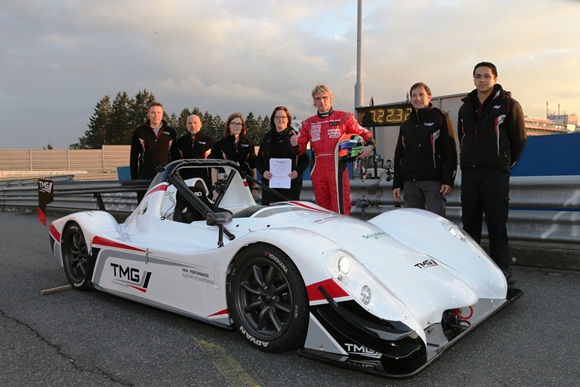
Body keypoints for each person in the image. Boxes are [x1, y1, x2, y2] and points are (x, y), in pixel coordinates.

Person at [458, 62, 527, 283]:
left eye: (486, 76)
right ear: (474, 80)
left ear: (495, 78)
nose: (482, 80)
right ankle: (473, 271)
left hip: (495, 173)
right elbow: (463, 138)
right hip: (470, 173)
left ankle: (501, 271)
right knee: (470, 224)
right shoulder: (465, 107)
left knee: (497, 223)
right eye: (478, 76)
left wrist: (504, 162)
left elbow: (519, 140)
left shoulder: (509, 105)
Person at [298, 84, 375, 215]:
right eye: (318, 98)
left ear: (331, 99)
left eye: (325, 97)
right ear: (314, 102)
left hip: (337, 166)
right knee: (322, 209)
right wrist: (294, 143)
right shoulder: (308, 123)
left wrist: (370, 146)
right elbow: (298, 149)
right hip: (317, 168)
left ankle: (342, 233)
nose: (322, 101)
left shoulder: (344, 118)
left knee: (341, 207)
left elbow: (364, 133)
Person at [392, 82, 458, 216]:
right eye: (414, 96)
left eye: (421, 94)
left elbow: (450, 152)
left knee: (436, 224)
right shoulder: (406, 124)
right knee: (414, 225)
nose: (418, 98)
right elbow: (399, 155)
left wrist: (448, 180)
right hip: (410, 184)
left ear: (429, 97)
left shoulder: (441, 119)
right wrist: (397, 183)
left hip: (434, 183)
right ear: (411, 100)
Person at [256, 106, 310, 205]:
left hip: (291, 184)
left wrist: (297, 172)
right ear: (273, 119)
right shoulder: (267, 137)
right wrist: (263, 172)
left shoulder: (295, 136)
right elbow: (258, 160)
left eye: (283, 117)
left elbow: (306, 160)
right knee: (270, 215)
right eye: (277, 117)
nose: (280, 119)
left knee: (288, 215)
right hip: (270, 183)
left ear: (288, 119)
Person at [130, 101, 180, 201]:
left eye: (158, 112)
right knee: (143, 207)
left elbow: (175, 155)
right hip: (144, 178)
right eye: (153, 112)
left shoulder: (170, 132)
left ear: (163, 114)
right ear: (148, 114)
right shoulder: (139, 131)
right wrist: (134, 180)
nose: (156, 115)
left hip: (164, 177)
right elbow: (134, 157)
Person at [210, 112, 257, 200]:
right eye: (233, 123)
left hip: (245, 184)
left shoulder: (249, 143)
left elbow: (253, 166)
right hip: (227, 184)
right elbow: (214, 168)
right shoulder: (219, 145)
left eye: (239, 123)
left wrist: (254, 187)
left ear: (242, 126)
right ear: (228, 125)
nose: (236, 126)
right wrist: (214, 189)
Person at [176, 114, 216, 188]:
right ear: (186, 125)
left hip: (205, 181)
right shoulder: (181, 141)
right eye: (190, 123)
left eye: (195, 123)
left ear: (200, 124)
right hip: (185, 181)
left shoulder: (209, 141)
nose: (192, 125)